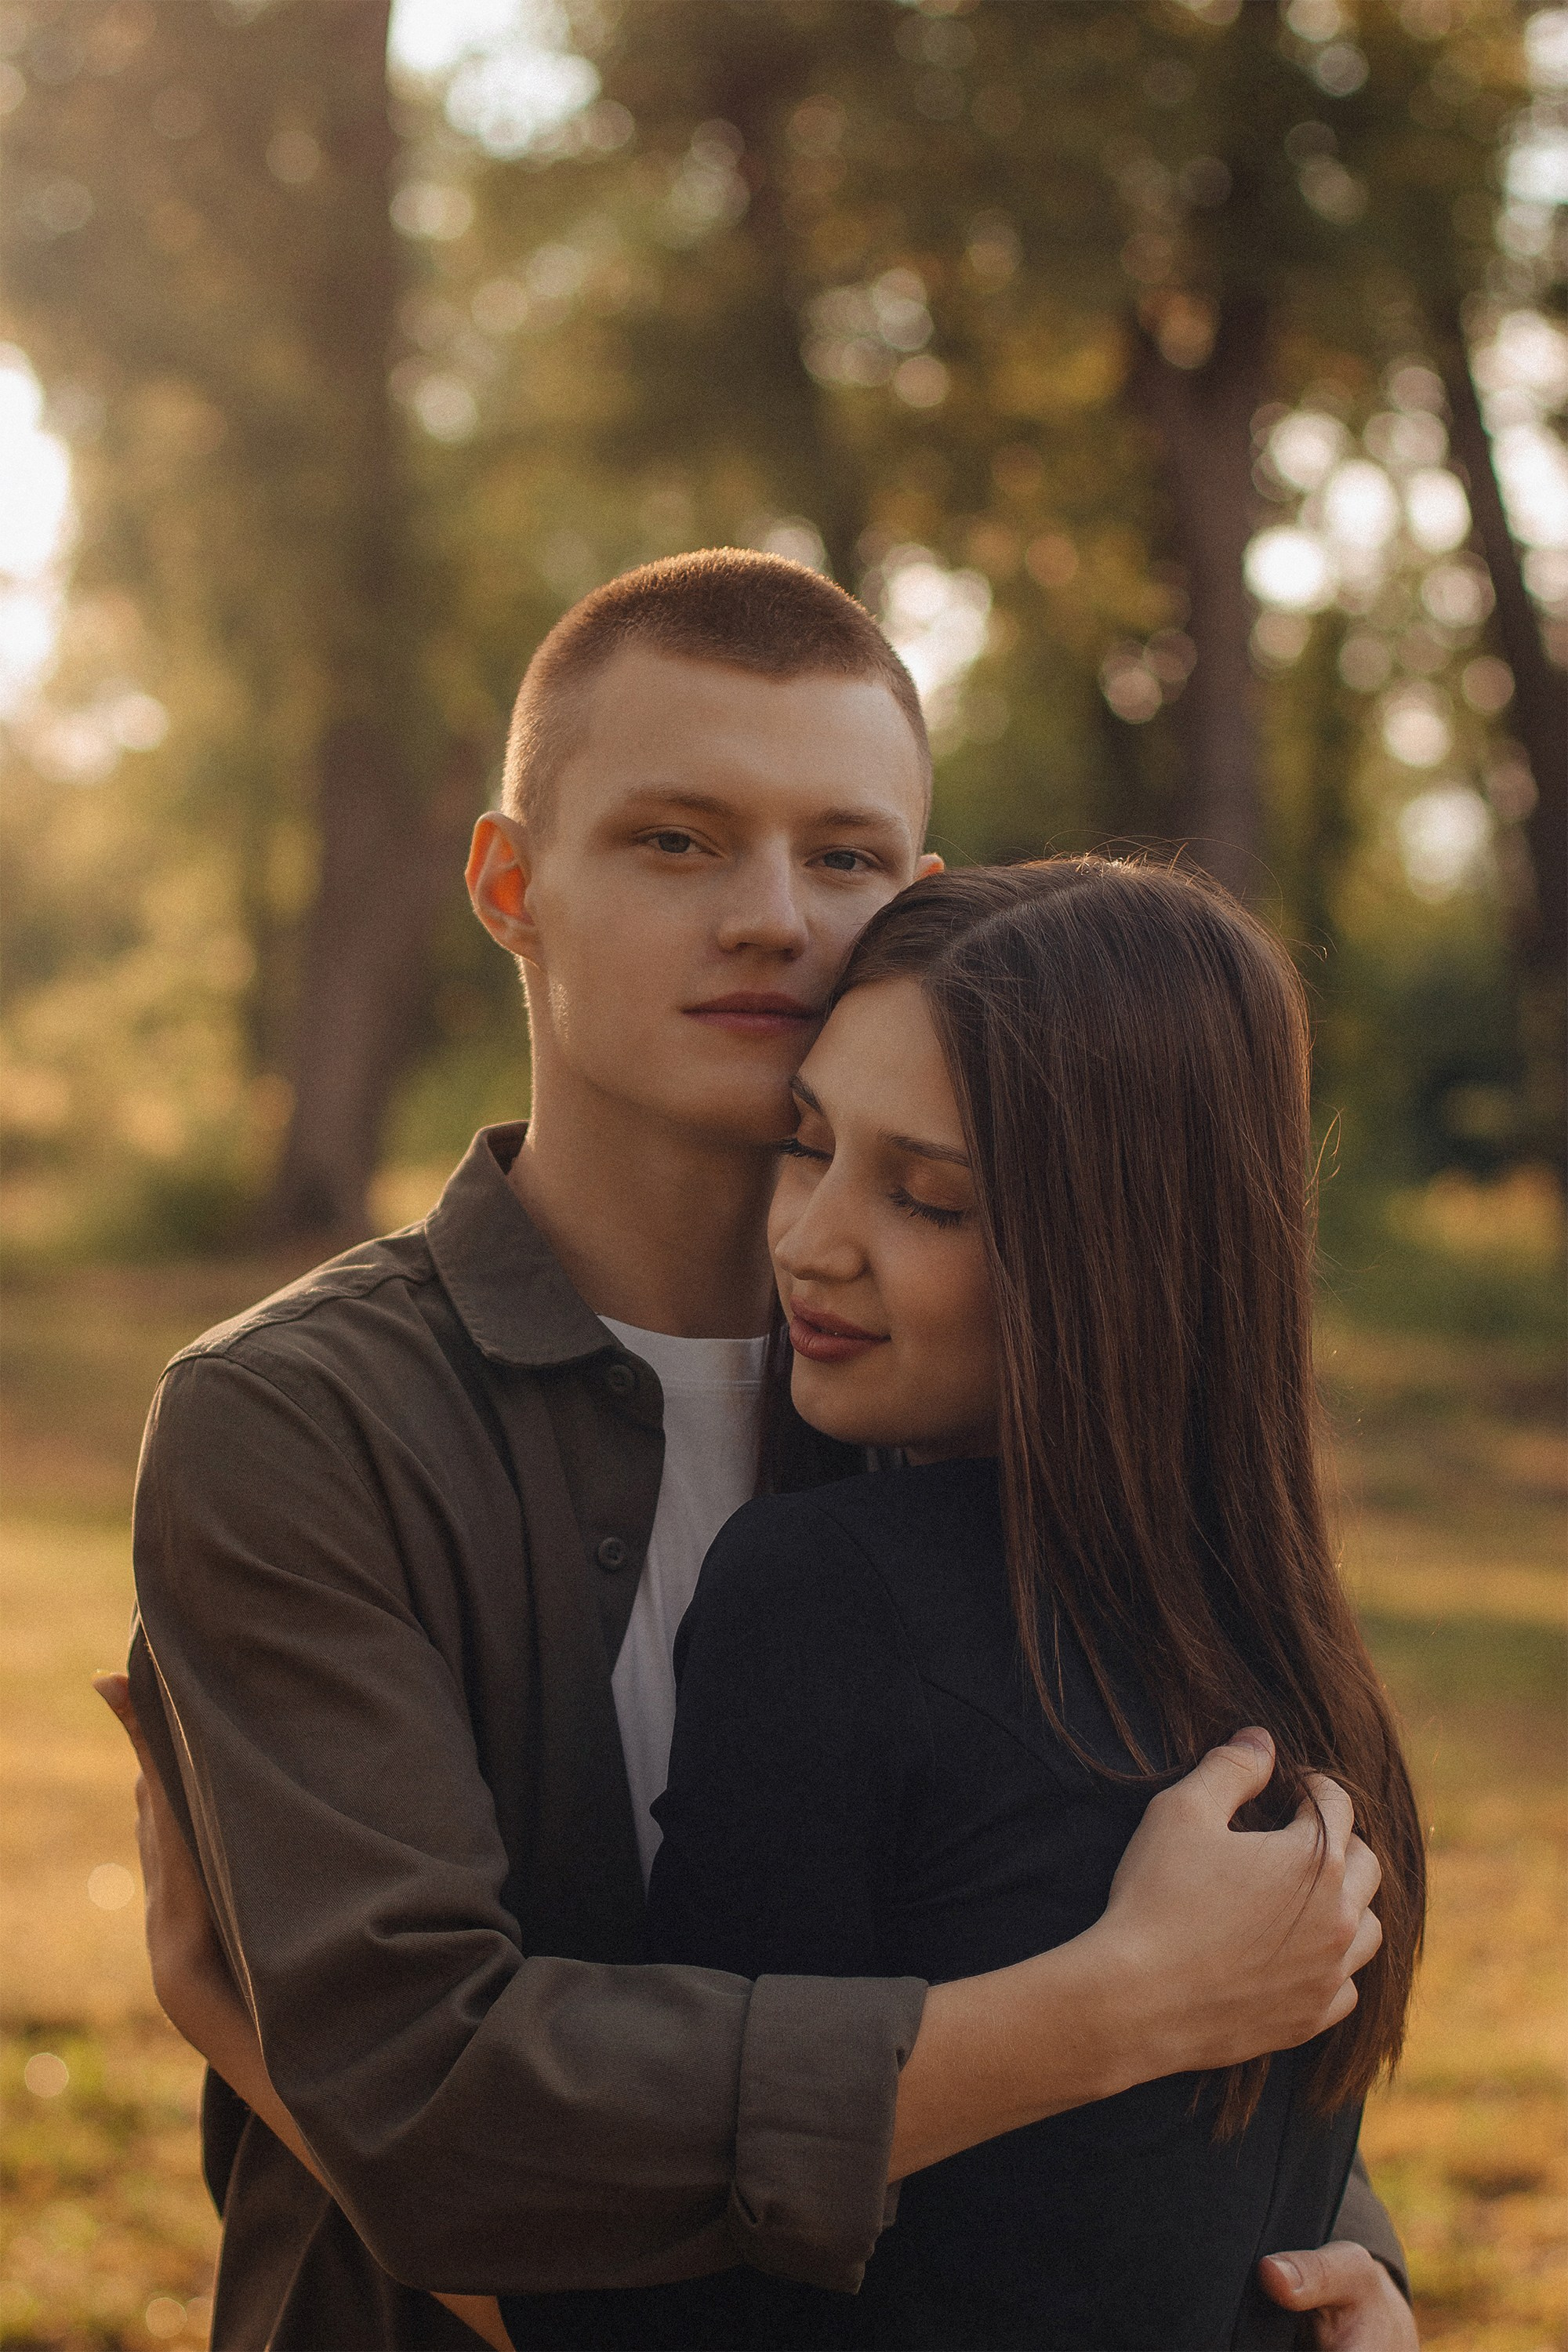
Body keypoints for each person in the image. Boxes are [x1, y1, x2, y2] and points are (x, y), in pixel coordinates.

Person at [96, 553, 1411, 2350]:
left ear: (921, 898)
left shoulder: (996, 1396)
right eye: (675, 841)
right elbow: (422, 2107)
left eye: (845, 857)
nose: (774, 917)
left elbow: (1215, 1915)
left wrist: (1335, 2259)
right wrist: (1112, 2005)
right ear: (509, 886)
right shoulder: (303, 1424)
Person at [497, 858, 1425, 2349]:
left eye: (929, 1198)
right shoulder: (1279, 1653)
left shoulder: (830, 1598)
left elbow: (654, 2304)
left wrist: (258, 2037)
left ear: (1118, 1257)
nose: (811, 1242)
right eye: (809, 1147)